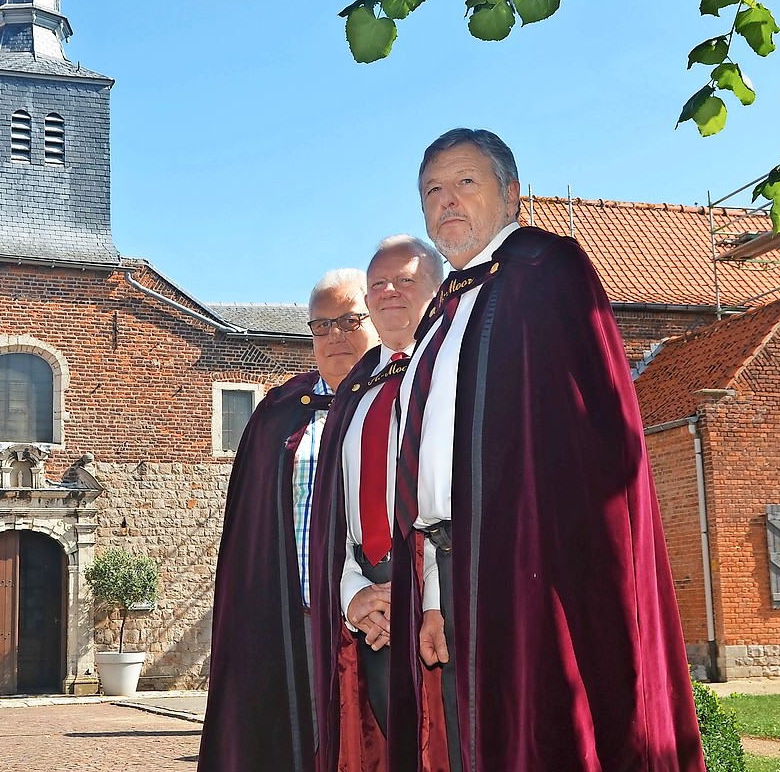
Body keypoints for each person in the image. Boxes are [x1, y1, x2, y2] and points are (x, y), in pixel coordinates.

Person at [385, 129, 707, 771]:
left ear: (512, 194)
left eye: (466, 182)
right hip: (453, 567)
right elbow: (432, 467)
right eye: (433, 190)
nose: (447, 200)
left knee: (541, 741)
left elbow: (594, 445)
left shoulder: (545, 272)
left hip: (533, 565)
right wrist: (432, 596)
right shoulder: (444, 311)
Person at [198, 268, 379, 772]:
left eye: (348, 320)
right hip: (289, 618)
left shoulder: (400, 398)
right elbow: (248, 528)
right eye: (321, 326)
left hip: (372, 619)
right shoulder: (278, 410)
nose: (334, 337)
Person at [309, 236, 445, 772]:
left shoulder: (450, 377)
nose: (390, 292)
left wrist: (421, 592)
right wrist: (352, 593)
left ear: (438, 291)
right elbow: (336, 517)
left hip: (440, 597)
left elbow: (454, 498)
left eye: (406, 280)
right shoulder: (356, 394)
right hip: (373, 608)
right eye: (378, 284)